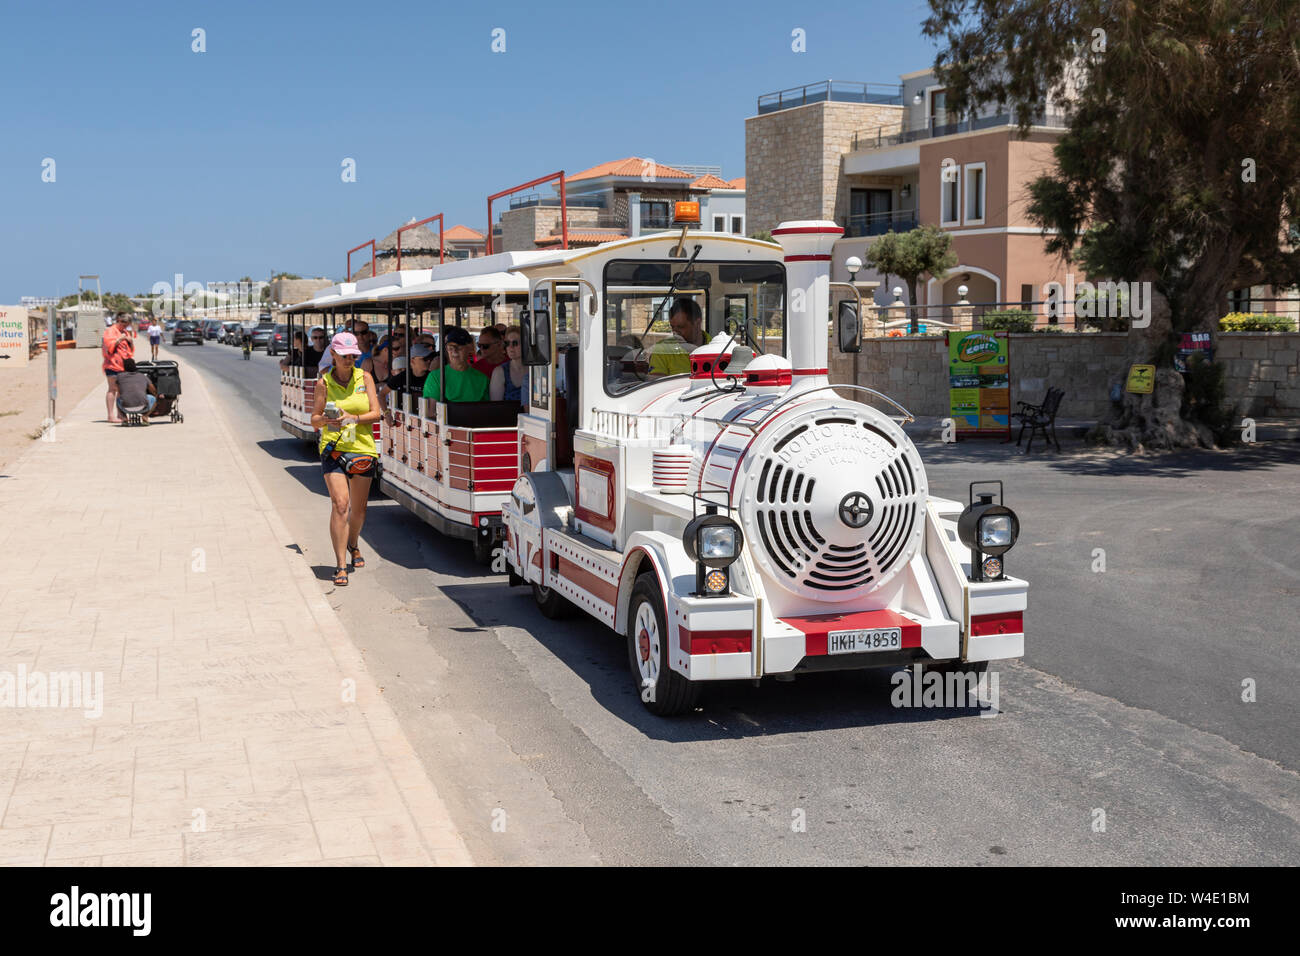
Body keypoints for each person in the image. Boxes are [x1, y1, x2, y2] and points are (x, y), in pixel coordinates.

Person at [310, 332, 381, 588]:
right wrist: (327, 420)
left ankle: (353, 543)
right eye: (344, 355)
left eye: (353, 355)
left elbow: (376, 413)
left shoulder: (366, 378)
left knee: (358, 511)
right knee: (341, 505)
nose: (349, 359)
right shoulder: (324, 384)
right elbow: (314, 419)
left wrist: (352, 417)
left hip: (362, 448)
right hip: (334, 448)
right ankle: (340, 565)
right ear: (333, 355)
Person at [423, 326, 489, 403]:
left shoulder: (483, 379)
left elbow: (486, 411)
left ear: (469, 348)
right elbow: (431, 413)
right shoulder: (436, 377)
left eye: (459, 347)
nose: (454, 351)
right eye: (450, 347)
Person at [649, 298, 705, 377]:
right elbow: (655, 384)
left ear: (698, 323)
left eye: (681, 327)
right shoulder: (662, 350)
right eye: (672, 327)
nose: (675, 332)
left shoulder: (715, 346)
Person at [102, 313, 136, 423]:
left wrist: (130, 341)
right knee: (112, 389)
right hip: (112, 364)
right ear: (119, 321)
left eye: (127, 325)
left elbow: (129, 350)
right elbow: (108, 348)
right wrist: (119, 339)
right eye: (124, 324)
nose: (125, 327)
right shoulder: (110, 331)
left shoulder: (124, 332)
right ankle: (110, 416)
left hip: (123, 365)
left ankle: (120, 414)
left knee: (121, 390)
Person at [489, 326, 527, 406]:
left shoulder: (536, 370)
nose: (510, 347)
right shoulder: (500, 372)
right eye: (507, 343)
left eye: (515, 343)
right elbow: (496, 407)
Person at [114, 358, 159, 424]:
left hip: (125, 407)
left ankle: (124, 418)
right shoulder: (143, 376)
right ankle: (145, 416)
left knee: (118, 399)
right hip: (143, 407)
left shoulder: (119, 377)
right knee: (154, 398)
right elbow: (153, 391)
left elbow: (118, 390)